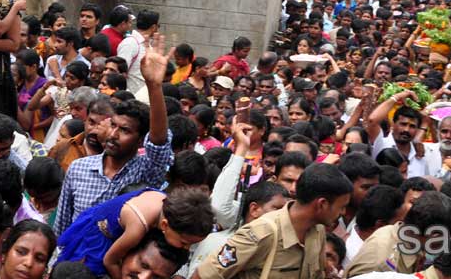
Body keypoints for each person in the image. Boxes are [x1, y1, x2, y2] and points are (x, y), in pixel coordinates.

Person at [53, 33, 173, 235]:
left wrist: (154, 86)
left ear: (140, 139)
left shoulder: (146, 172)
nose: (114, 134)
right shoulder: (79, 168)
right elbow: (62, 228)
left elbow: (159, 142)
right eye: (114, 126)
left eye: (125, 130)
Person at [191, 163, 352, 279]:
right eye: (341, 206)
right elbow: (203, 275)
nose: (343, 212)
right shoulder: (261, 233)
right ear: (322, 204)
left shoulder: (317, 231)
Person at [55, 187, 214, 277]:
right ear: (164, 225)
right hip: (96, 239)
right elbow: (110, 260)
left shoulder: (168, 204)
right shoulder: (137, 229)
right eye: (184, 243)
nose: (185, 248)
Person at [117, 10, 160, 99]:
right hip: (130, 98)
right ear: (153, 27)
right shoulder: (130, 43)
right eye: (158, 26)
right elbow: (118, 72)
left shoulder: (147, 46)